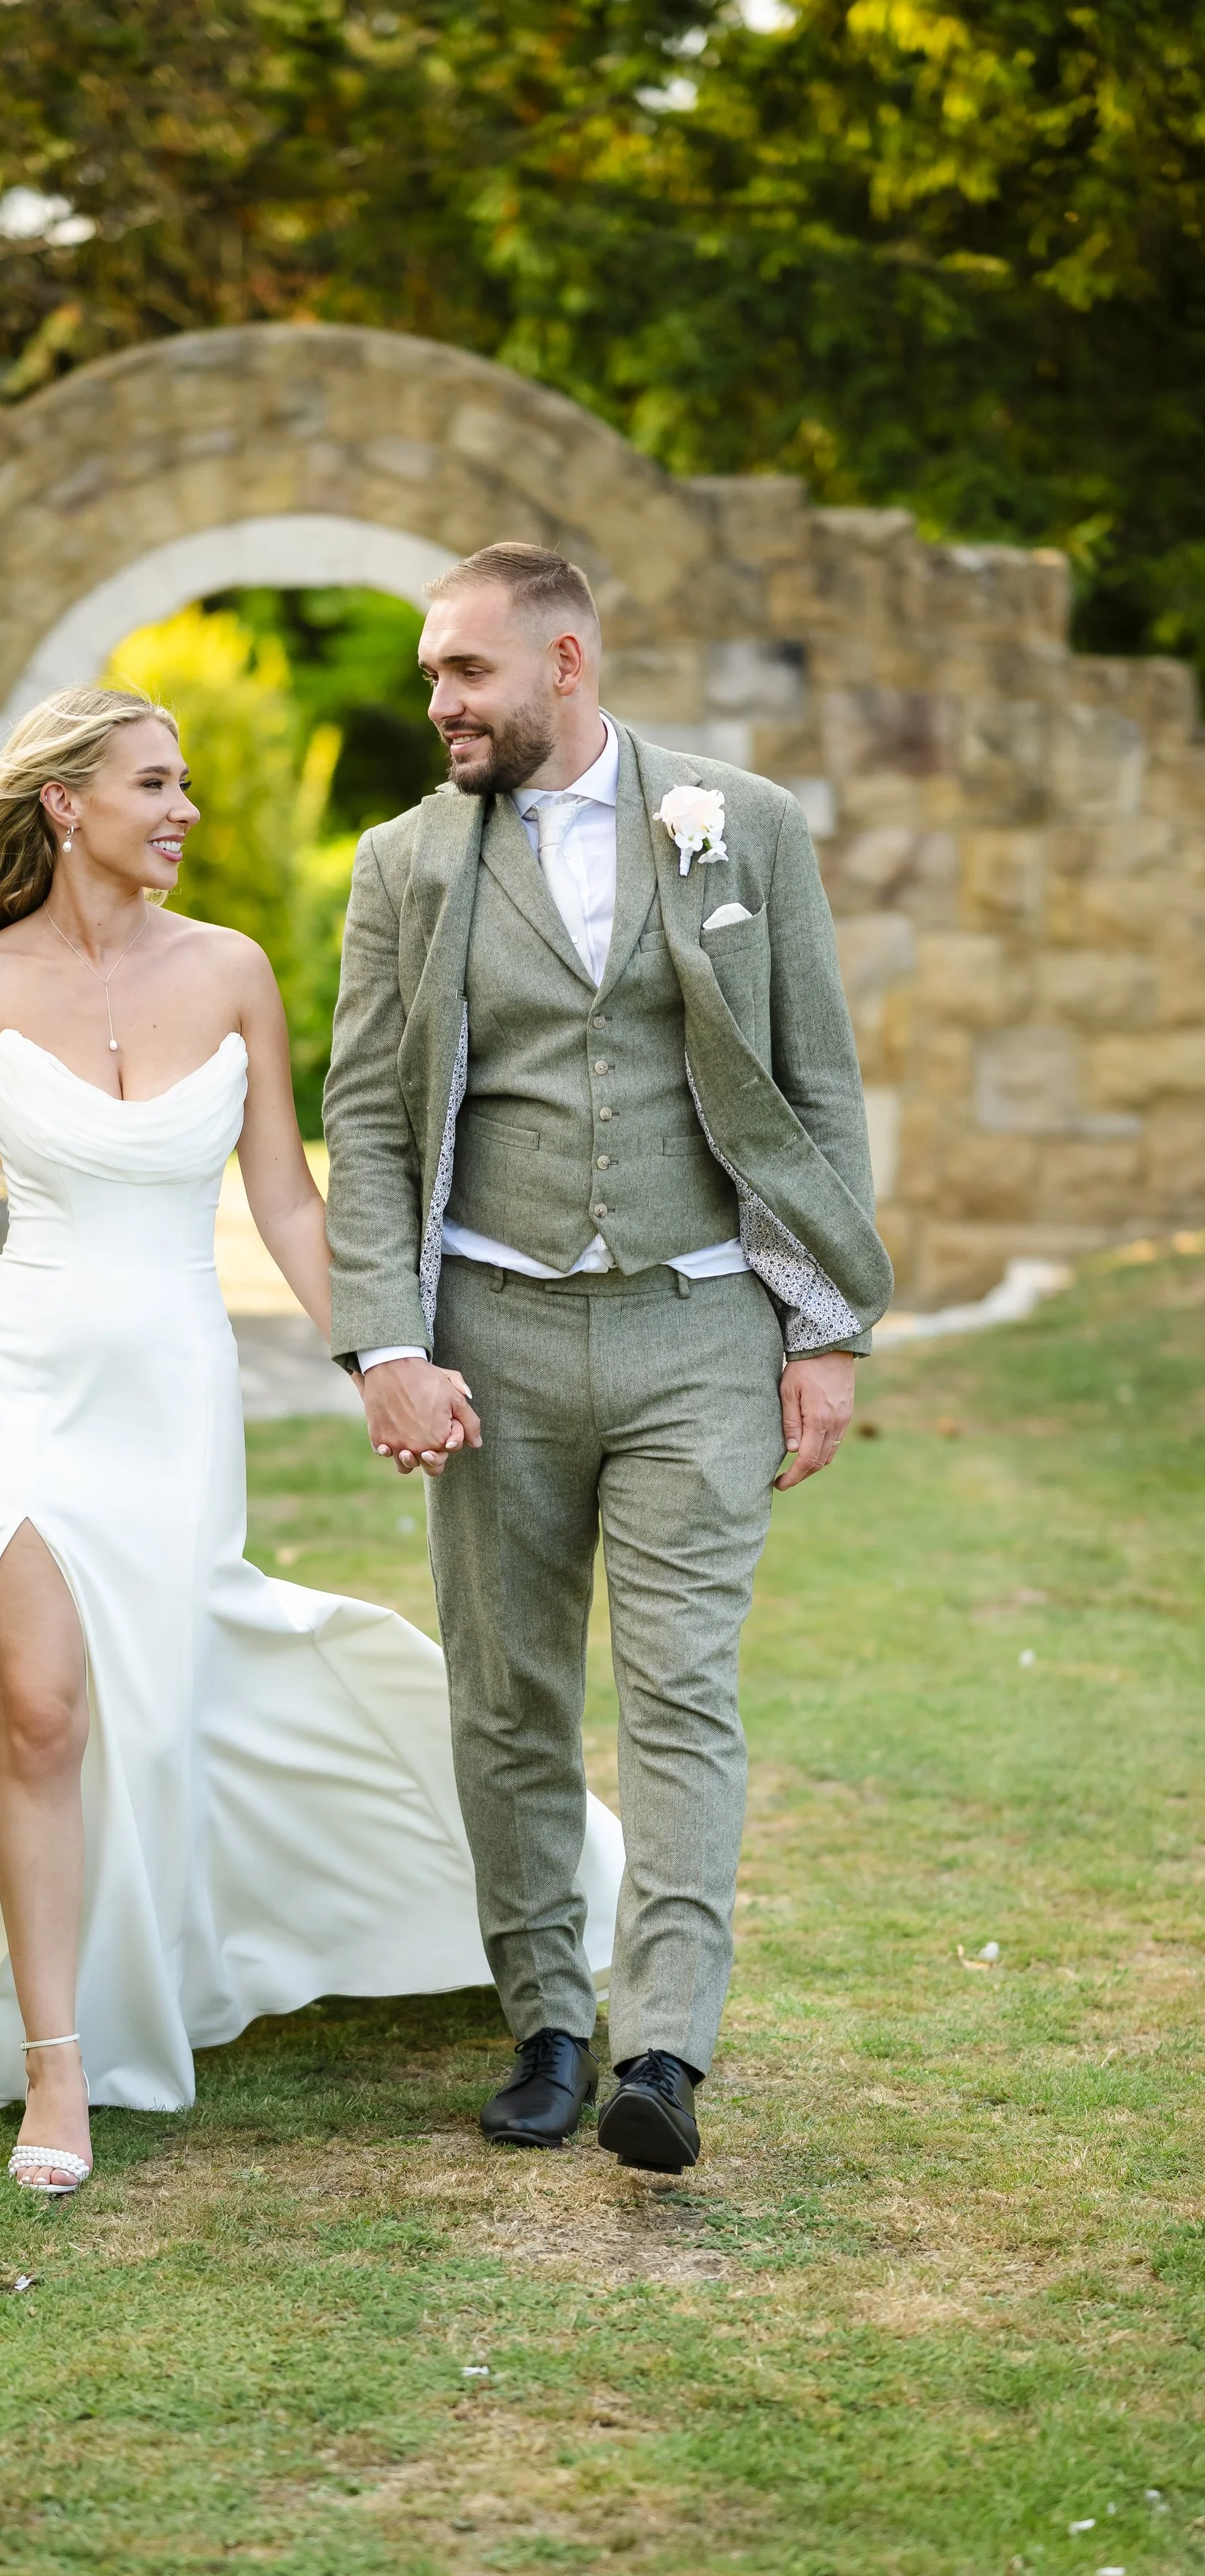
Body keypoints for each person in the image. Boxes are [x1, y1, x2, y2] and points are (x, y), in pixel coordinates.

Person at [0, 685, 623, 2192]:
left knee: (151, 1704)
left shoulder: (231, 973)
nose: (182, 812)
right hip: (24, 1380)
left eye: (185, 789)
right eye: (153, 785)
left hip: (174, 1390)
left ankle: (387, 1902)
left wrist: (380, 1356)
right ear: (64, 805)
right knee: (39, 1707)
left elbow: (287, 1198)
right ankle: (55, 2068)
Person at [323, 544, 891, 2172]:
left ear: (563, 665)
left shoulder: (739, 824)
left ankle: (662, 2048)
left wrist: (825, 1329)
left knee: (681, 1692)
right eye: (433, 674)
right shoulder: (402, 865)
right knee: (503, 1695)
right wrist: (384, 1340)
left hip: (698, 1326)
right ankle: (546, 2024)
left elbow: (815, 1083)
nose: (438, 700)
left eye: (465, 673)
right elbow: (362, 1117)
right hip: (488, 1334)